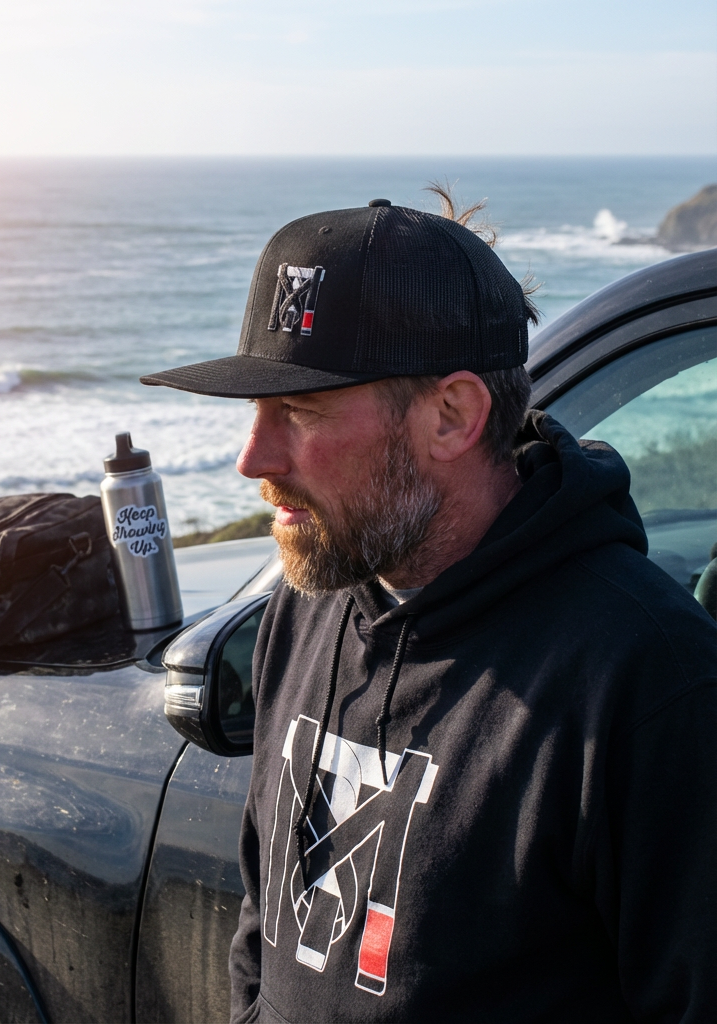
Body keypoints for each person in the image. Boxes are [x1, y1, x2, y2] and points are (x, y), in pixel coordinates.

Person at [141, 198, 716, 1023]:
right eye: (254, 410)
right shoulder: (310, 605)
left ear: (452, 415)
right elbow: (266, 933)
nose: (251, 457)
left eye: (299, 411)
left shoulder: (651, 683)